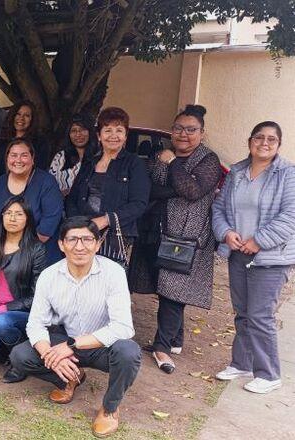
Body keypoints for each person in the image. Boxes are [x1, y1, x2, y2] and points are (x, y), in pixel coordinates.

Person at [9, 216, 141, 438]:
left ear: (98, 244)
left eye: (87, 239)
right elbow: (36, 323)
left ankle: (110, 408)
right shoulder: (49, 276)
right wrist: (49, 353)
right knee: (20, 356)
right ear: (61, 245)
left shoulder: (113, 273)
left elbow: (123, 327)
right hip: (64, 338)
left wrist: (72, 346)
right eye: (72, 240)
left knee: (129, 352)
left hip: (100, 345)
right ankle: (70, 377)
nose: (80, 246)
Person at [128, 105, 223, 374]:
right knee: (165, 285)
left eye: (191, 129)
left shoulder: (208, 160)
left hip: (186, 236)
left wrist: (171, 164)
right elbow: (152, 187)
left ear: (202, 134)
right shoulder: (162, 154)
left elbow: (192, 190)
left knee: (173, 290)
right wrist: (172, 184)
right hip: (156, 230)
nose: (183, 134)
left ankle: (163, 345)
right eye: (179, 128)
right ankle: (176, 340)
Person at [212, 121, 295, 394]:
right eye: (259, 137)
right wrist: (226, 233)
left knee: (260, 316)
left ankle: (269, 373)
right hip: (238, 253)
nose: (264, 143)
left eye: (271, 139)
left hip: (271, 258)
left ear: (278, 144)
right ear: (250, 141)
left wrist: (259, 241)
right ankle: (242, 363)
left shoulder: (288, 174)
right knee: (243, 313)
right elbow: (219, 207)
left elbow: (290, 216)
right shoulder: (236, 171)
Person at [0, 197, 47, 381]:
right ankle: (7, 345)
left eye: (19, 214)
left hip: (20, 313)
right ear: (2, 216)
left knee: (3, 323)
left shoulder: (36, 249)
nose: (12, 218)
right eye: (8, 213)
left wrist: (3, 309)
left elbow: (37, 295)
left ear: (27, 218)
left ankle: (19, 358)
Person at [65, 107, 150, 266]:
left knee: (110, 285)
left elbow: (139, 204)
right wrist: (78, 223)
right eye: (108, 130)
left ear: (125, 136)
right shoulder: (90, 162)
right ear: (99, 135)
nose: (113, 136)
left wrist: (105, 220)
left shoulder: (134, 163)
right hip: (83, 233)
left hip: (116, 236)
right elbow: (72, 199)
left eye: (119, 130)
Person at [0, 138, 63, 264]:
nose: (18, 160)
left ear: (32, 159)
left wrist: (21, 249)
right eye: (13, 155)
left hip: (39, 253)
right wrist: (7, 247)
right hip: (4, 252)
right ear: (7, 159)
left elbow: (50, 221)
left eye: (24, 155)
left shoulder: (46, 182)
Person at [0, 100, 49, 180]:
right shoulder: (2, 142)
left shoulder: (40, 143)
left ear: (32, 119)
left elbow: (40, 170)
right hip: (2, 188)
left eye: (26, 115)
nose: (21, 118)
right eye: (18, 114)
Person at [49, 114, 99, 196]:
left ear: (90, 132)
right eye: (73, 131)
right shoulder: (60, 157)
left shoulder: (99, 156)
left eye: (83, 129)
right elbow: (50, 186)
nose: (78, 134)